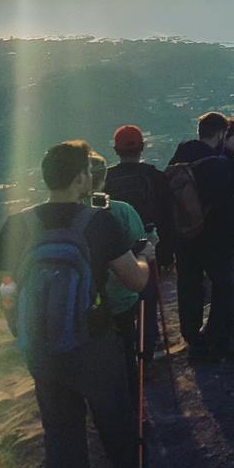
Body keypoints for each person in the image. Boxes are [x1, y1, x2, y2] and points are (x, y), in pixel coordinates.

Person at [0, 141, 153, 468]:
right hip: (93, 343)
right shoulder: (99, 222)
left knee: (61, 438)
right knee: (116, 430)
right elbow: (136, 280)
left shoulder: (17, 224)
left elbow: (5, 290)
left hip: (40, 347)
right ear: (82, 177)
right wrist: (146, 257)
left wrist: (22, 330)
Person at [168, 112, 234, 362]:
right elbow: (228, 195)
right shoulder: (215, 163)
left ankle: (192, 338)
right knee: (224, 286)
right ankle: (218, 341)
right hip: (213, 237)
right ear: (221, 133)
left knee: (189, 286)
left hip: (184, 235)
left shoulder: (180, 157)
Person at [89, 153, 150, 402]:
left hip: (81, 304)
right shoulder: (121, 211)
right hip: (122, 298)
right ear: (103, 179)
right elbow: (140, 246)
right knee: (126, 354)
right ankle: (134, 409)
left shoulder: (67, 215)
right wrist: (146, 255)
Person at [106, 125, 176, 269]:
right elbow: (168, 218)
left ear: (116, 150)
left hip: (116, 255)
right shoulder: (156, 177)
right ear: (142, 147)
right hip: (153, 249)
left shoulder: (105, 179)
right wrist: (167, 255)